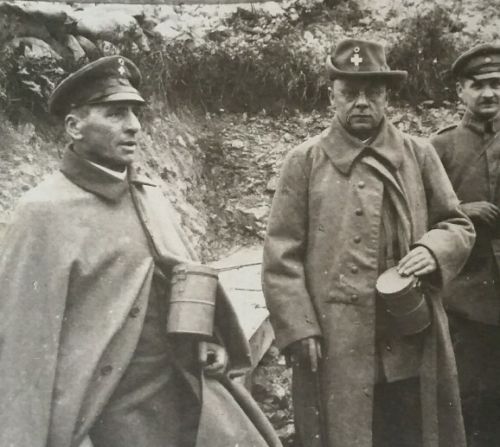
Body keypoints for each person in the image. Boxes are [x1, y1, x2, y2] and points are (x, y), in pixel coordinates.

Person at [0, 55, 281, 447]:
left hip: (183, 391)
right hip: (106, 415)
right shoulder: (42, 212)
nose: (134, 126)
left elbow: (179, 279)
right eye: (116, 113)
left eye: (135, 112)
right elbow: (21, 348)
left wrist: (208, 338)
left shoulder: (148, 193)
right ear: (74, 126)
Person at [262, 39, 475, 447]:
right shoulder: (304, 161)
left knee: (412, 428)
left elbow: (457, 223)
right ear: (332, 96)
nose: (361, 103)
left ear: (386, 97)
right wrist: (299, 327)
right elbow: (281, 255)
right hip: (334, 336)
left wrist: (433, 250)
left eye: (372, 93)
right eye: (349, 93)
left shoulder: (418, 154)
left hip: (410, 331)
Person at [430, 43, 500, 447]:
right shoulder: (439, 148)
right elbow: (416, 214)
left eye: (496, 84)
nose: (488, 93)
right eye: (478, 85)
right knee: (470, 398)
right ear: (461, 91)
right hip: (464, 299)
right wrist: (461, 209)